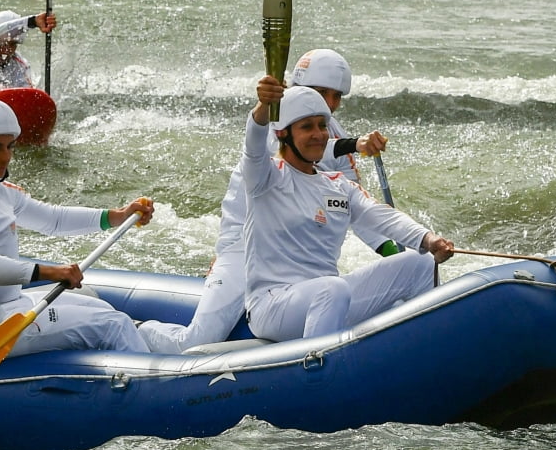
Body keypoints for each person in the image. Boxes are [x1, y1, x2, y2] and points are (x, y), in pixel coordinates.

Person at [138, 49, 391, 354]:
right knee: (196, 340)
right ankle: (141, 331)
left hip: (292, 263)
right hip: (243, 250)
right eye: (323, 93)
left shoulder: (329, 137)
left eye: (337, 96)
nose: (331, 105)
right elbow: (285, 152)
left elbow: (361, 211)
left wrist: (394, 251)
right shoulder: (273, 124)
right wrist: (355, 144)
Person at [0, 97, 152, 355]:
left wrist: (117, 216)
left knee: (105, 310)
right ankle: (158, 391)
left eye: (10, 146)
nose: (6, 157)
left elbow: (54, 219)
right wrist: (49, 272)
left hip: (9, 305)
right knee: (115, 325)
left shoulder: (0, 191)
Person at [241, 78, 454, 342]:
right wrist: (264, 105)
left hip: (330, 300)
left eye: (322, 125)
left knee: (420, 262)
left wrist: (429, 240)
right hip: (273, 306)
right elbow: (253, 144)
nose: (319, 134)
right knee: (332, 288)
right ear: (283, 134)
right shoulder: (265, 177)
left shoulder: (339, 186)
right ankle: (315, 369)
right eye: (307, 127)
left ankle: (428, 349)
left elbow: (383, 216)